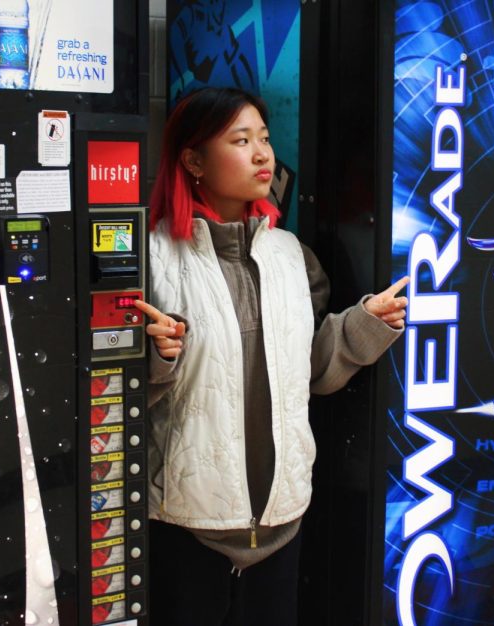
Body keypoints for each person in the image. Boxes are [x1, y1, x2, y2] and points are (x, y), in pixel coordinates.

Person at [133, 87, 407, 626]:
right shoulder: (151, 255)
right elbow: (117, 398)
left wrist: (361, 325)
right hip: (187, 524)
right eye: (241, 140)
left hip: (283, 521)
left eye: (264, 138)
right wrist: (154, 358)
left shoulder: (290, 255)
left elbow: (307, 374)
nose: (263, 154)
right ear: (192, 160)